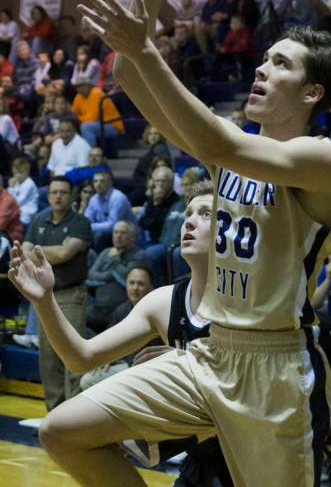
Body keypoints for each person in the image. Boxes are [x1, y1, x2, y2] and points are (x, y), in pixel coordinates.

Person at [37, 0, 331, 487]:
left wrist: (146, 47)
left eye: (279, 63)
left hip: (275, 369)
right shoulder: (229, 148)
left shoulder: (320, 158)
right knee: (62, 430)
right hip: (209, 355)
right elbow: (130, 77)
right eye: (262, 58)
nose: (261, 68)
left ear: (312, 93)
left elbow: (218, 144)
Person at [9, 180, 233, 487]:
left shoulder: (251, 303)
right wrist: (44, 300)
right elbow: (81, 358)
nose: (190, 221)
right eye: (188, 213)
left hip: (253, 455)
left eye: (206, 214)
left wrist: (190, 360)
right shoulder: (163, 301)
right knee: (58, 433)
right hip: (202, 462)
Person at [21, 175, 92, 411]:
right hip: (44, 298)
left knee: (73, 355)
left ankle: (74, 414)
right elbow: (24, 251)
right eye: (54, 192)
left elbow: (64, 254)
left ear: (71, 196)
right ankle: (54, 413)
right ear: (48, 195)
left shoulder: (80, 222)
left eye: (63, 192)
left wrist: (38, 252)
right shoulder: (38, 220)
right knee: (48, 359)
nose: (58, 196)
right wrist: (54, 251)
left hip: (71, 296)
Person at [80, 265, 154, 388]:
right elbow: (109, 342)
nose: (135, 288)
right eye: (131, 283)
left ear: (151, 288)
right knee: (88, 378)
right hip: (127, 365)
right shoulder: (121, 310)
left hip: (149, 368)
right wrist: (107, 359)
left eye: (140, 284)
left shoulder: (157, 309)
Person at [86, 220, 147, 332]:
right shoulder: (106, 252)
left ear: (132, 237)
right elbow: (91, 274)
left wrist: (115, 260)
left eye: (123, 233)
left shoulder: (139, 255)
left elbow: (127, 278)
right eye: (115, 232)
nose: (118, 236)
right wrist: (111, 276)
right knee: (75, 322)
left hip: (120, 308)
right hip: (98, 307)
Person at [84, 170, 134, 252]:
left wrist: (90, 227)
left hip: (124, 233)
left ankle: (101, 261)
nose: (98, 184)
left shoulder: (118, 198)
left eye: (102, 181)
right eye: (95, 181)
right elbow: (86, 221)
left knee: (99, 235)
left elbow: (113, 226)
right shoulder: (94, 199)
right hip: (105, 233)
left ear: (110, 183)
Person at [71, 75, 124, 149]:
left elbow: (92, 119)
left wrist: (77, 118)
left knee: (86, 127)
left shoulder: (96, 93)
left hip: (112, 126)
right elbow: (72, 114)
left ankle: (90, 154)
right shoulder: (79, 96)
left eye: (81, 86)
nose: (79, 89)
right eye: (77, 87)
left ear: (89, 85)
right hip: (98, 125)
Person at [7, 156, 39, 230]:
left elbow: (15, 204)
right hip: (17, 214)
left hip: (26, 218)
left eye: (20, 172)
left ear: (27, 170)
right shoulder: (17, 182)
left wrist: (11, 188)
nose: (17, 175)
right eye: (15, 173)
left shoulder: (29, 184)